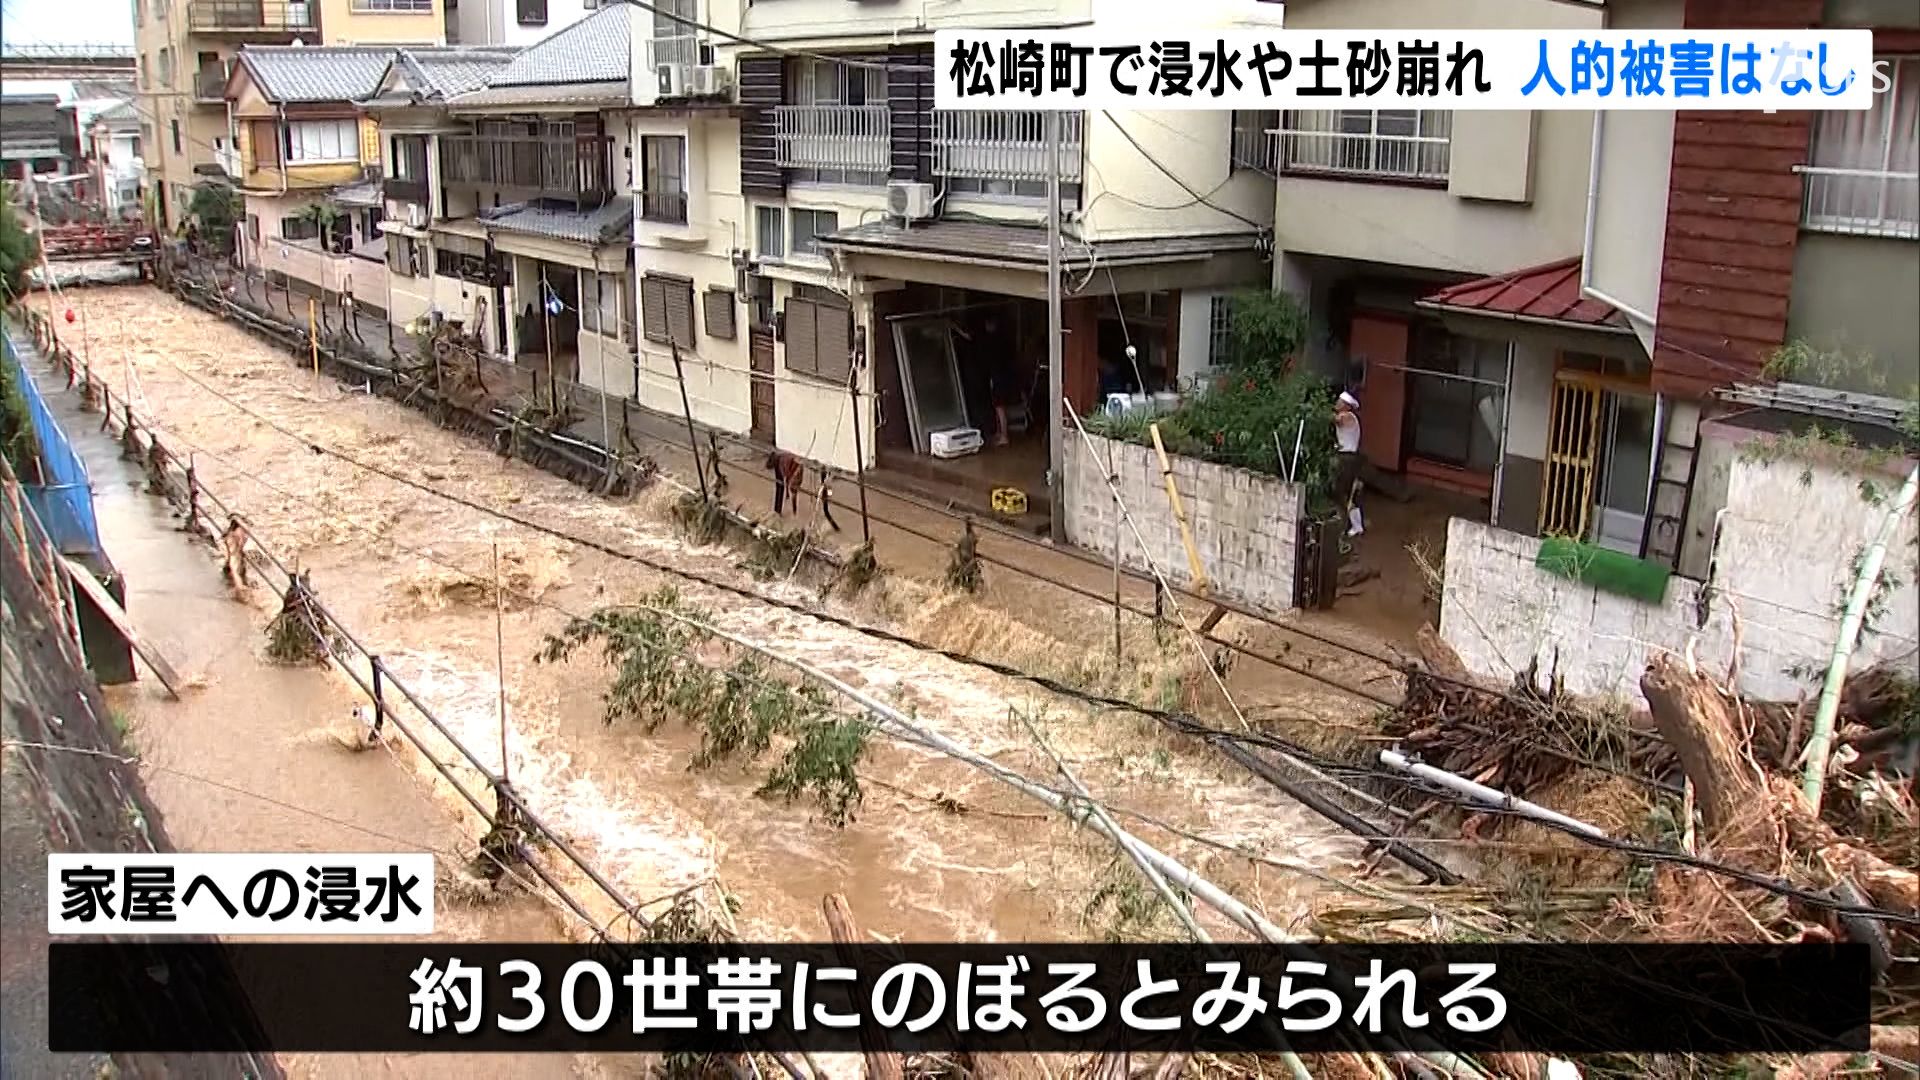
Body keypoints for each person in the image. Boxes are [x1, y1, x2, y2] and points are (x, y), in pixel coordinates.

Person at [1333, 391, 1365, 538]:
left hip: (1348, 458)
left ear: (1346, 406)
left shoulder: (1348, 417)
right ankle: (1355, 525)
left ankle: (1348, 524)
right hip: (1347, 456)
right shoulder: (1348, 417)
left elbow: (1335, 420)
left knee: (1343, 491)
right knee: (1347, 491)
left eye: (1340, 402)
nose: (1337, 404)